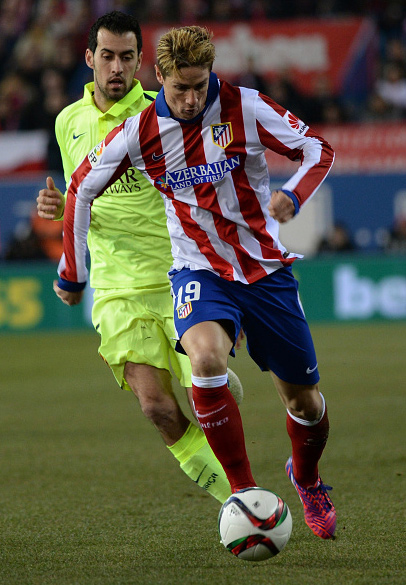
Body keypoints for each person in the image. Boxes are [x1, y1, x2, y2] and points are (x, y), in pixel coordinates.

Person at [53, 25, 337, 540]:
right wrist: (73, 273)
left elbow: (317, 148)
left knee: (306, 404)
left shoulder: (245, 107)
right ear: (159, 77)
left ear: (211, 76)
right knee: (204, 360)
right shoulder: (140, 130)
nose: (189, 99)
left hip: (264, 271)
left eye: (199, 87)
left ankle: (307, 477)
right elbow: (81, 189)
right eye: (179, 88)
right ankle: (244, 494)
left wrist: (293, 195)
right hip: (196, 270)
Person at [37, 13, 246, 504]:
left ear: (140, 62)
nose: (117, 67)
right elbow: (82, 194)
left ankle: (236, 464)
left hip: (179, 274)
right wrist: (61, 207)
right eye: (107, 56)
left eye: (127, 57)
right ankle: (239, 499)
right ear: (89, 58)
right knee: (155, 407)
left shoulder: (164, 112)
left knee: (207, 390)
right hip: (116, 287)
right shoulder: (68, 122)